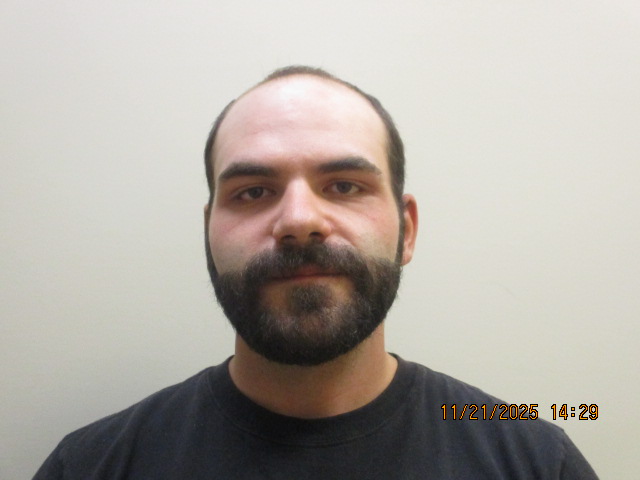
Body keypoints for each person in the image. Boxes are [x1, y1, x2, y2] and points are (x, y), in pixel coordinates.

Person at [33, 66, 598, 479]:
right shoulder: (89, 466)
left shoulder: (535, 461)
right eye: (254, 192)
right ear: (208, 235)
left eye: (344, 186)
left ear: (407, 231)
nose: (299, 221)